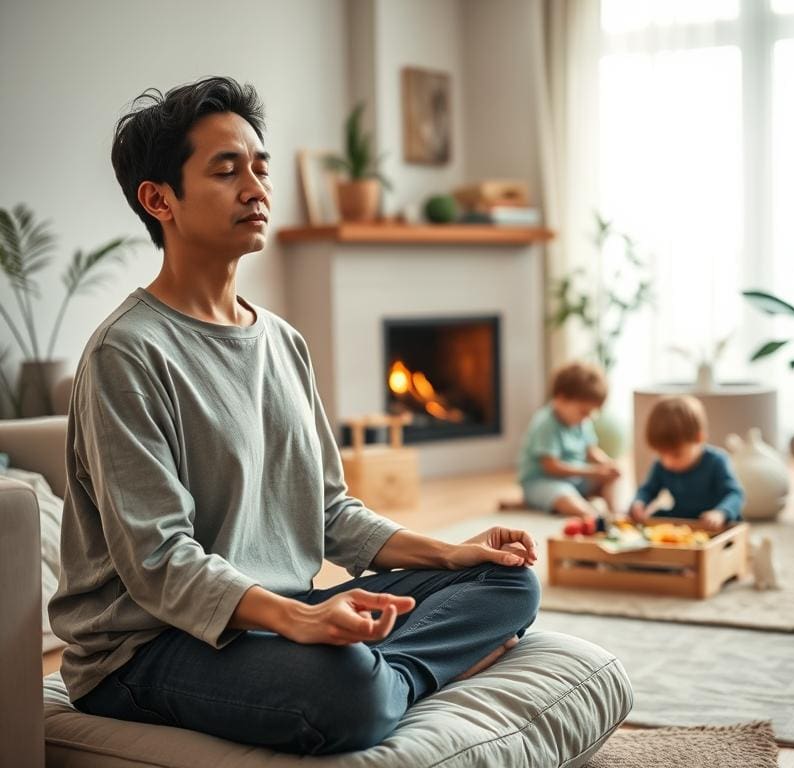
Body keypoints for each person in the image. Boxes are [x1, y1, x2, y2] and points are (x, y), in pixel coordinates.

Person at [48, 77, 540, 756]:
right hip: (150, 647)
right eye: (226, 170)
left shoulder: (281, 340)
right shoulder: (126, 354)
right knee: (348, 689)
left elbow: (329, 512)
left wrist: (450, 552)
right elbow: (159, 560)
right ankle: (405, 676)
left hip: (273, 615)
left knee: (507, 582)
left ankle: (390, 675)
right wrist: (296, 621)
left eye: (260, 167)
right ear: (159, 200)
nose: (256, 188)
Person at [517, 361, 620, 519]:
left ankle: (614, 515)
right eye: (583, 411)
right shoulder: (546, 423)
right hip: (543, 482)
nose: (587, 417)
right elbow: (551, 467)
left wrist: (607, 464)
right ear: (560, 399)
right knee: (566, 497)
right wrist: (592, 471)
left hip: (574, 480)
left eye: (591, 413)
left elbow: (591, 450)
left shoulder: (582, 421)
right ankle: (594, 517)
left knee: (610, 477)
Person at [629, 395, 743, 531]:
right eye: (661, 454)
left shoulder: (717, 461)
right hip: (683, 518)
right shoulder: (661, 465)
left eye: (676, 454)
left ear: (699, 438)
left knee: (731, 527)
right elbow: (648, 490)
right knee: (655, 517)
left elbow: (735, 494)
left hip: (713, 523)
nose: (668, 462)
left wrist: (721, 513)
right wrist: (639, 502)